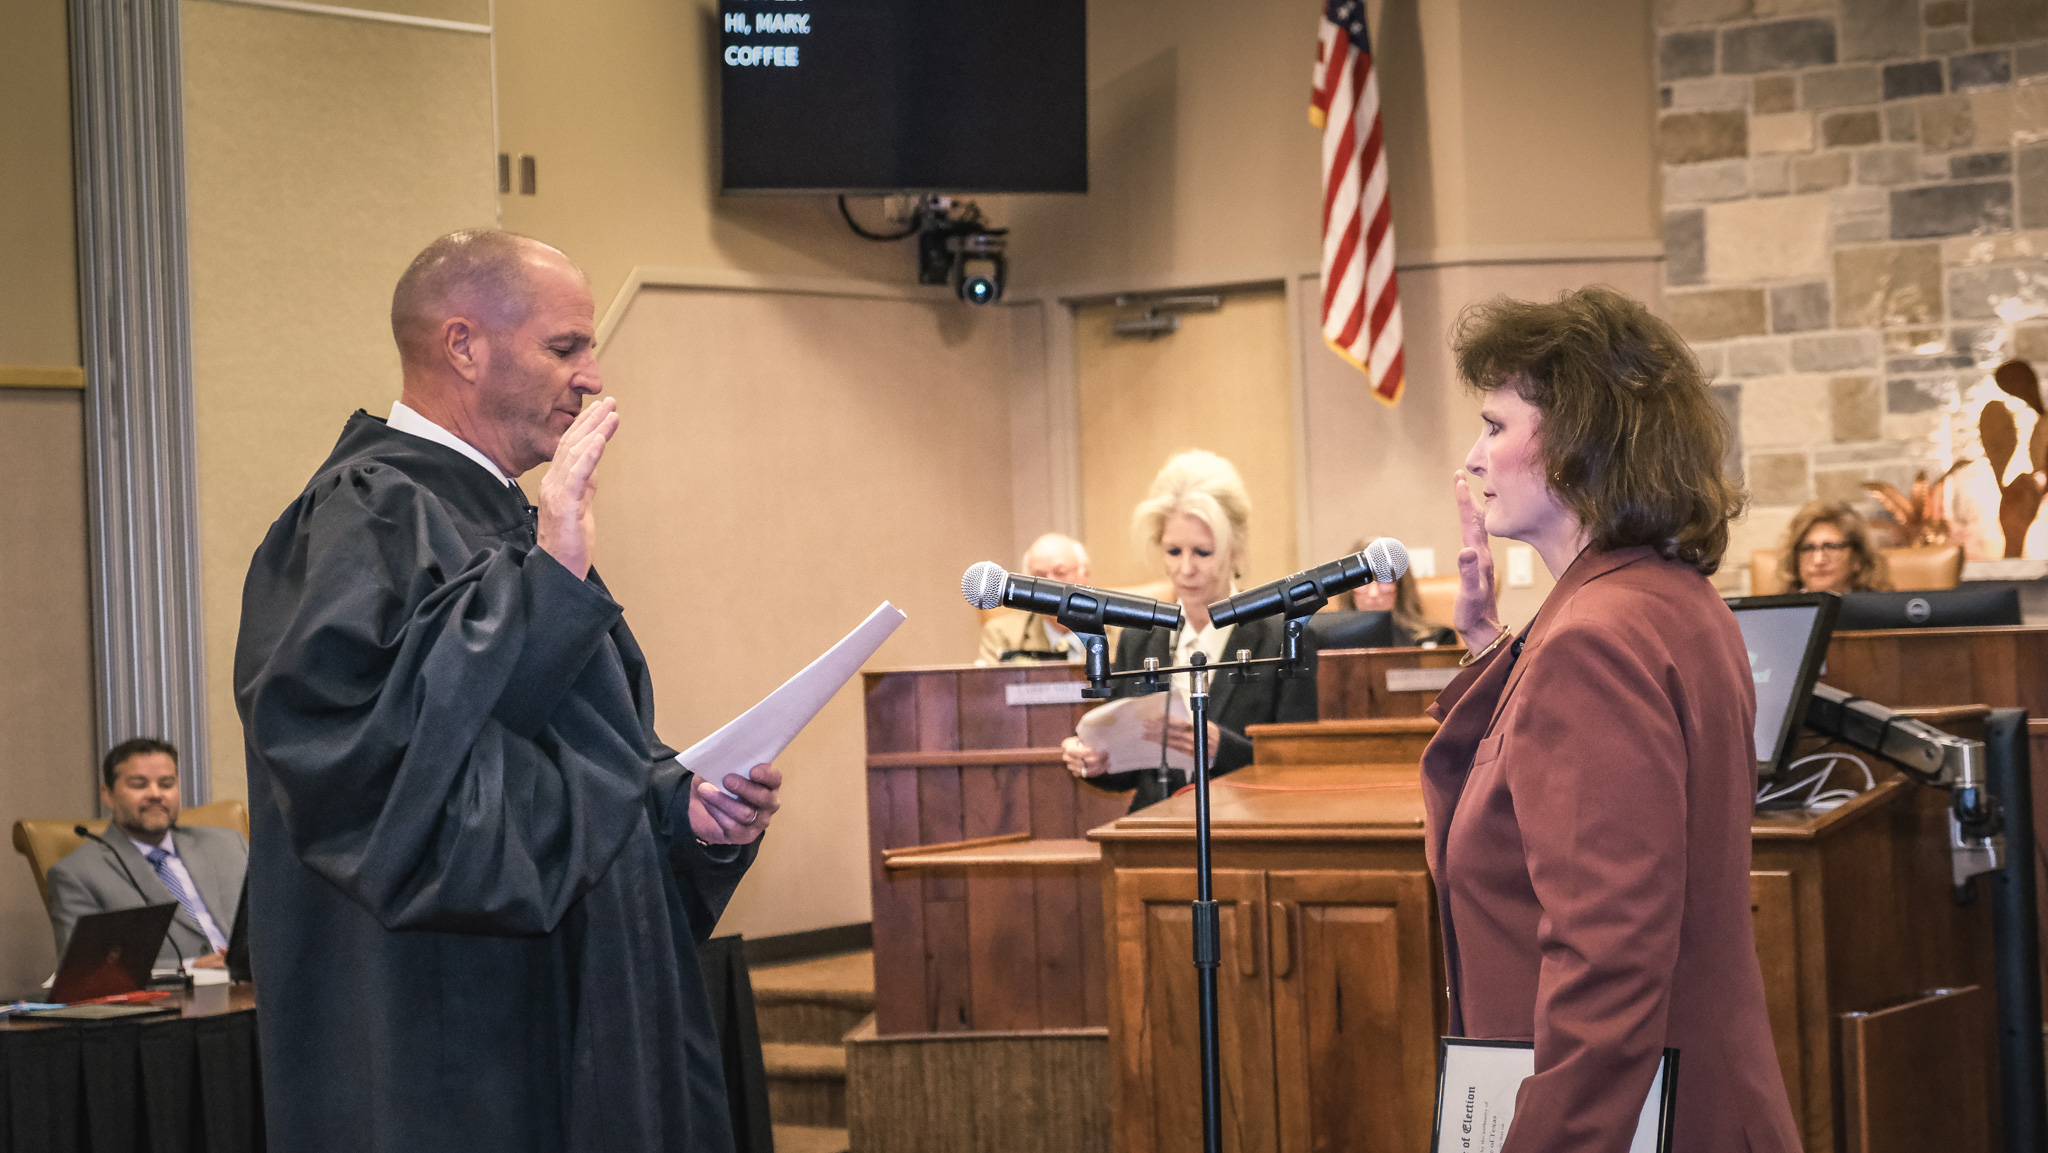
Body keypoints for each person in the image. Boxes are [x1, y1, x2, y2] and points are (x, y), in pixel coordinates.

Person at [233, 229, 784, 1153]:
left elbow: (570, 755)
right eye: (564, 347)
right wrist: (550, 579)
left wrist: (681, 808)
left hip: (580, 1004)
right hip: (454, 1040)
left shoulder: (508, 523)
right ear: (463, 346)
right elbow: (392, 777)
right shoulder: (364, 517)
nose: (592, 376)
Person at [1421, 286, 1799, 1153]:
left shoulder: (1592, 639)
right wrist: (1487, 642)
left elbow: (1609, 964)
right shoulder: (1667, 599)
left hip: (1632, 1122)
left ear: (1578, 438)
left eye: (1494, 424)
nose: (1472, 456)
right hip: (1694, 1101)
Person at [1059, 450, 1317, 810]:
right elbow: (1127, 770)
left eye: (1202, 552)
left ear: (1234, 550)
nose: (1186, 568)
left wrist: (1221, 749)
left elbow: (1300, 761)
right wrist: (1095, 761)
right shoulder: (1140, 636)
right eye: (1173, 551)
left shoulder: (1282, 636)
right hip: (1157, 830)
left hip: (1247, 829)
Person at [46, 738, 244, 973]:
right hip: (179, 1001)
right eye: (139, 785)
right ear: (107, 793)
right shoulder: (76, 874)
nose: (155, 794)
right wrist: (188, 967)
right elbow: (84, 969)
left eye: (166, 784)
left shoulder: (228, 844)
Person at [977, 533, 1093, 663]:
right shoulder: (1002, 635)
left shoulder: (1118, 634)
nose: (1050, 584)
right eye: (1039, 576)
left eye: (1060, 573)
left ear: (1084, 575)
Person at [1777, 500, 1890, 594]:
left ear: (1857, 557)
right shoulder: (1778, 612)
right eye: (1808, 548)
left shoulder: (1880, 611)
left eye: (1831, 547)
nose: (1818, 560)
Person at [1347, 564, 1456, 647]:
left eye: (1383, 580)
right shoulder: (1333, 641)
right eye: (1363, 582)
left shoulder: (1439, 638)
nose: (1373, 593)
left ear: (1401, 587)